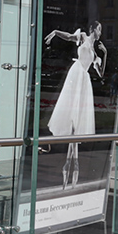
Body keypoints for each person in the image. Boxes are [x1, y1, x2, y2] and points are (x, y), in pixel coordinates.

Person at [45, 22, 106, 188]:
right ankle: (71, 165)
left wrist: (103, 55)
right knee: (71, 116)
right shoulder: (84, 37)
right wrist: (56, 31)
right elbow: (69, 36)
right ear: (93, 29)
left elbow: (101, 74)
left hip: (84, 80)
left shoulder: (96, 51)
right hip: (76, 75)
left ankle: (71, 164)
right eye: (99, 28)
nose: (101, 32)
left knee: (78, 120)